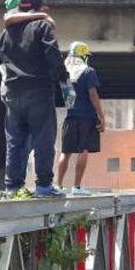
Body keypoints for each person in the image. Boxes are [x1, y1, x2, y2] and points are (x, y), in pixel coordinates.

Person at [0, 0, 69, 198]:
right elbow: (53, 57)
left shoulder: (5, 34)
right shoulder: (42, 26)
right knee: (43, 139)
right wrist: (64, 81)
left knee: (15, 141)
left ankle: (12, 187)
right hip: (39, 91)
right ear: (41, 8)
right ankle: (44, 187)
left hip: (13, 94)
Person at [56, 41, 105, 194]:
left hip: (70, 117)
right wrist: (101, 115)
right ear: (83, 56)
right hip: (87, 118)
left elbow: (68, 99)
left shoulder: (65, 73)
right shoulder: (88, 72)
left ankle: (58, 185)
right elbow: (93, 94)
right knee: (83, 150)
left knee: (65, 152)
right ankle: (77, 187)